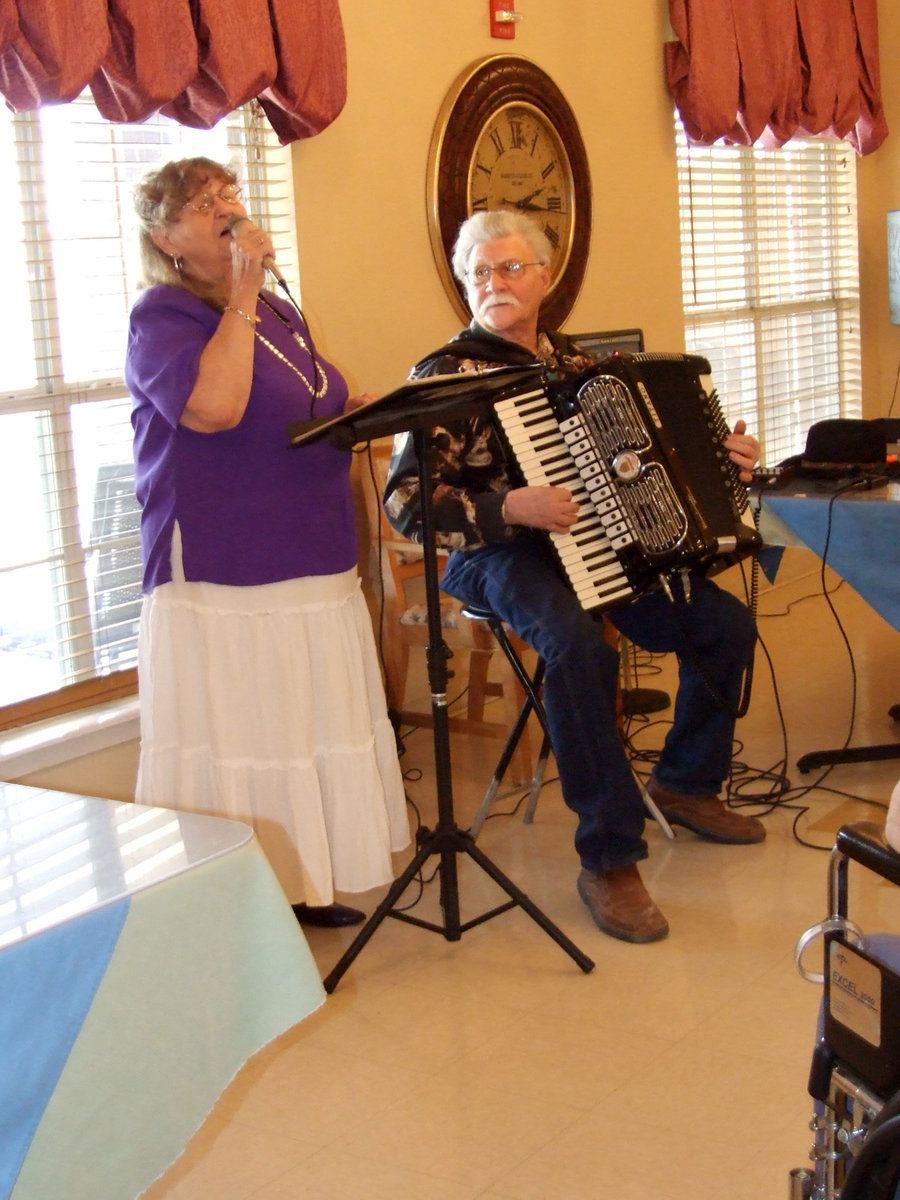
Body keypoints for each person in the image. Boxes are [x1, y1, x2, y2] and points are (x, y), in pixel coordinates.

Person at [383, 209, 762, 945]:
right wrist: (507, 507)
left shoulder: (583, 370)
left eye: (510, 267)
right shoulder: (444, 376)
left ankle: (685, 781)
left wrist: (721, 462)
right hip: (497, 554)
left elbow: (648, 466)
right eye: (480, 272)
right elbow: (407, 505)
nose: (494, 282)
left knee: (724, 624)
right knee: (577, 647)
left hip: (598, 545)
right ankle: (609, 857)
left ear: (545, 278)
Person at [126, 157, 409, 928]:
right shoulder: (164, 318)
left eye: (229, 194)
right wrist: (245, 291)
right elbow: (214, 409)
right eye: (201, 203)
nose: (226, 208)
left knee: (301, 727)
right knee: (245, 732)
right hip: (225, 567)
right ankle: (240, 905)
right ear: (167, 238)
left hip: (311, 555)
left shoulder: (281, 316)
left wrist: (384, 406)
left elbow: (330, 395)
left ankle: (302, 879)